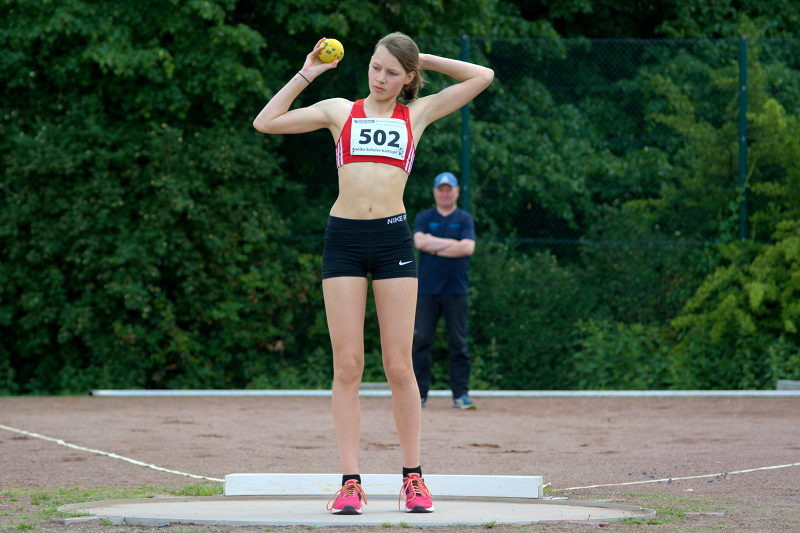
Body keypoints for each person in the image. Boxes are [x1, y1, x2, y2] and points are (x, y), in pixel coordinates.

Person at [252, 33, 493, 515]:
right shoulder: (340, 110)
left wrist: (420, 58)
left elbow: (481, 76)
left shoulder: (417, 113)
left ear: (406, 78)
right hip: (342, 239)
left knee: (399, 366)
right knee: (347, 366)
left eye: (391, 72)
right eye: (375, 67)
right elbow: (265, 122)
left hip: (391, 241)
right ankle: (349, 483)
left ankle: (413, 478)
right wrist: (309, 71)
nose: (380, 78)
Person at [412, 172, 477, 410]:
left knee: (459, 344)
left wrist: (434, 245)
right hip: (427, 291)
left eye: (449, 189)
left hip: (456, 291)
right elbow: (419, 242)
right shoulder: (424, 217)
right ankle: (418, 395)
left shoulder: (465, 219)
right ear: (435, 192)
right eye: (441, 189)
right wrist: (452, 245)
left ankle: (461, 395)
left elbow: (468, 247)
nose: (445, 193)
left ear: (457, 191)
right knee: (421, 341)